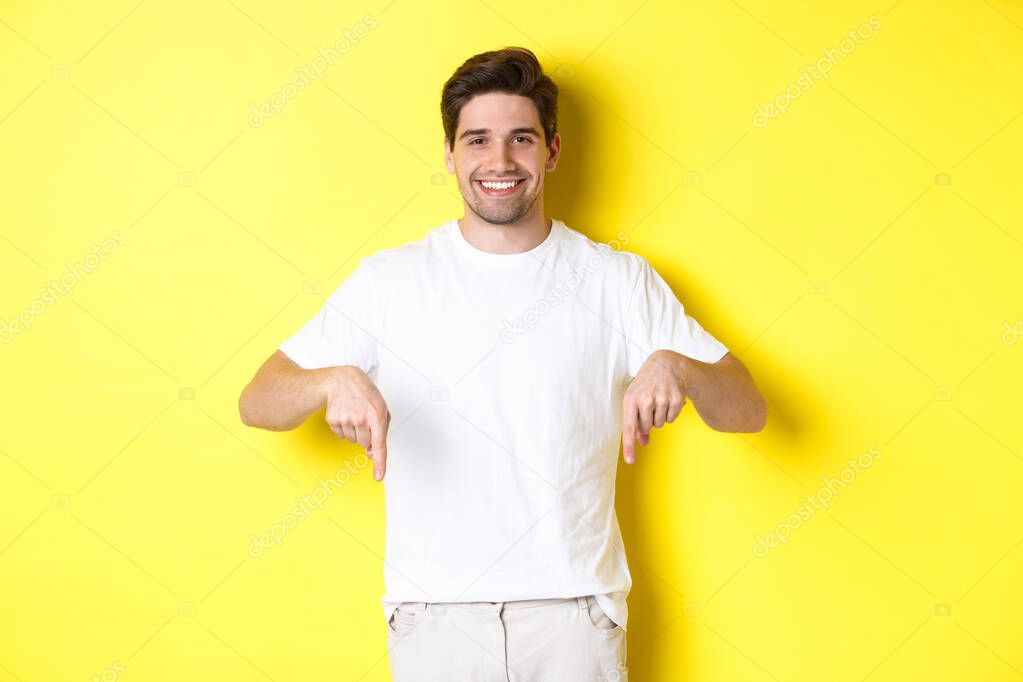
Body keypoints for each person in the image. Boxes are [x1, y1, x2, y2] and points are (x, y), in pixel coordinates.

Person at [239, 45, 767, 682]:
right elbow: (258, 399)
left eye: (521, 138)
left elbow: (749, 410)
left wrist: (679, 367)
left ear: (552, 152)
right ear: (449, 154)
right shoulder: (389, 282)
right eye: (477, 140)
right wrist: (331, 380)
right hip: (435, 618)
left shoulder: (615, 280)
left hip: (574, 616)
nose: (499, 161)